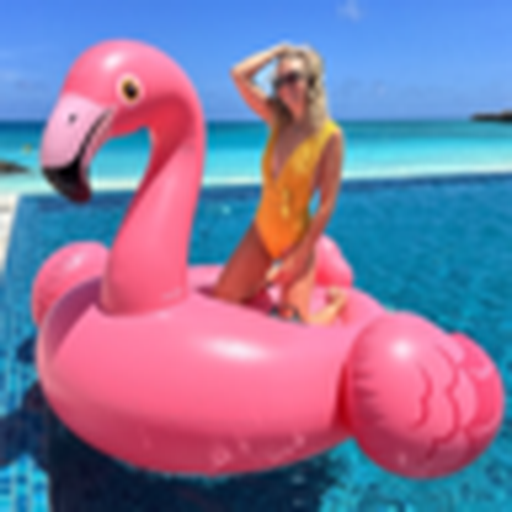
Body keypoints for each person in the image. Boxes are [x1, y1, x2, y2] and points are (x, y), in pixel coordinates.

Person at [212, 42, 347, 325]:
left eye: (292, 78)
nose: (285, 88)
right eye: (278, 82)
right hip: (261, 232)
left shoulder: (330, 136)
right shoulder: (276, 119)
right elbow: (238, 74)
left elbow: (327, 205)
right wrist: (278, 51)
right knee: (223, 298)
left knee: (293, 326)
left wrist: (298, 257)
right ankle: (260, 280)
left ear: (311, 81)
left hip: (295, 240)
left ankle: (336, 305)